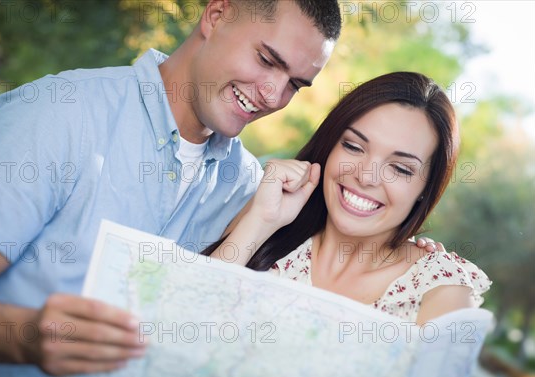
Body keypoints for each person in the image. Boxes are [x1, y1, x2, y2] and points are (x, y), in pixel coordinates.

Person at [0, 1, 343, 377]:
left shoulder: (249, 192)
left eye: (294, 84)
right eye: (267, 59)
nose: (273, 95)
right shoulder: (59, 112)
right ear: (216, 17)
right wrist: (26, 338)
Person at [208, 72, 491, 324]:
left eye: (401, 168)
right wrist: (261, 221)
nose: (366, 176)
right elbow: (190, 313)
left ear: (425, 191)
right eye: (354, 147)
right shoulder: (269, 220)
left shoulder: (441, 287)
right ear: (330, 145)